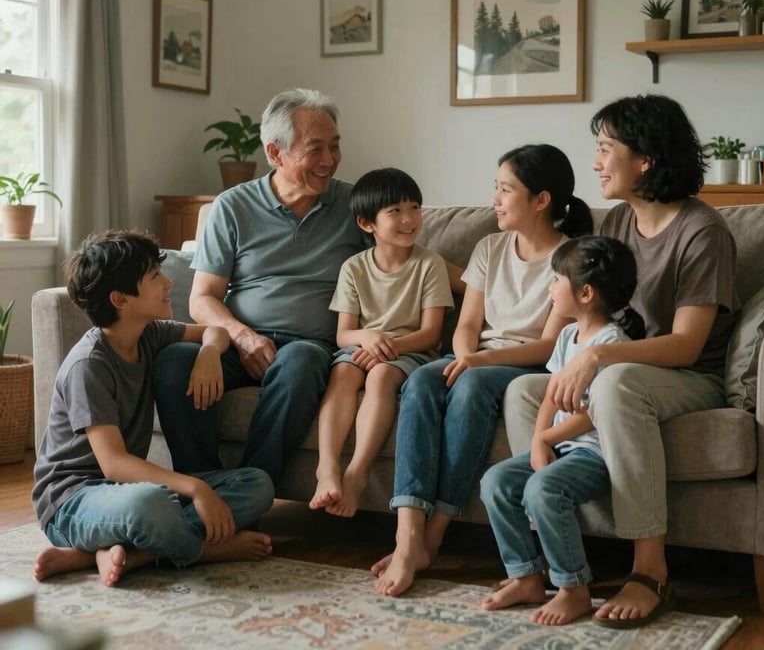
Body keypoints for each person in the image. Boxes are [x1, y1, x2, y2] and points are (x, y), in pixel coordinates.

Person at [505, 94, 738, 629]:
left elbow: (686, 346)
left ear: (646, 160)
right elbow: (576, 313)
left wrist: (599, 358)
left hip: (688, 378)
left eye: (606, 148)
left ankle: (649, 570)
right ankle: (558, 558)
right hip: (624, 372)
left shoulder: (703, 232)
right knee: (524, 391)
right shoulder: (615, 225)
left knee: (615, 385)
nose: (595, 162)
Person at [372, 144, 594, 597]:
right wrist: (463, 353)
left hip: (529, 364)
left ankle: (435, 536)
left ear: (541, 200)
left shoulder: (571, 257)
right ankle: (408, 534)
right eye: (495, 187)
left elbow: (549, 344)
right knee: (418, 380)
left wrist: (479, 361)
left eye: (505, 189)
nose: (494, 198)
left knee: (470, 385)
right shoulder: (489, 247)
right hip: (477, 357)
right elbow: (469, 323)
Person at [31, 230, 274, 588]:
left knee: (257, 484)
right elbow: (113, 463)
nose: (168, 281)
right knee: (150, 503)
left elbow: (214, 332)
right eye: (154, 277)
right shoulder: (89, 365)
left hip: (120, 491)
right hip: (71, 501)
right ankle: (202, 550)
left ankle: (118, 554)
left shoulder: (149, 333)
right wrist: (195, 488)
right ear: (121, 299)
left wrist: (209, 354)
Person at [152, 88, 368, 484]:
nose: (329, 160)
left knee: (300, 360)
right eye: (315, 149)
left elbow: (408, 258)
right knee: (173, 362)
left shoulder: (354, 205)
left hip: (309, 346)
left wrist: (480, 280)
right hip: (238, 343)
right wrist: (242, 337)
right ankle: (203, 485)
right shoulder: (232, 206)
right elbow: (203, 298)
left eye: (334, 147)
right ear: (275, 153)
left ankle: (251, 487)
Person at [480, 235, 645, 625]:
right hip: (563, 447)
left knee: (542, 490)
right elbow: (552, 394)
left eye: (556, 280)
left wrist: (549, 439)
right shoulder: (569, 337)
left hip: (594, 453)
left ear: (585, 293)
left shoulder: (611, 342)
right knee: (496, 482)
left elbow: (593, 414)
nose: (550, 288)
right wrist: (539, 438)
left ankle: (573, 589)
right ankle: (526, 576)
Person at [309, 168, 453, 518]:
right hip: (361, 348)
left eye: (414, 207)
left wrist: (389, 348)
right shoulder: (354, 268)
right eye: (395, 211)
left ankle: (357, 473)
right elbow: (343, 334)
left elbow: (431, 333)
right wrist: (368, 338)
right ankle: (326, 468)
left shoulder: (429, 265)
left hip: (411, 352)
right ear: (366, 223)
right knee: (343, 374)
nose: (409, 219)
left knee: (381, 377)